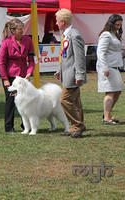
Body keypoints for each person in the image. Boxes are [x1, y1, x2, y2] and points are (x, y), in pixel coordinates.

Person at [0, 18, 35, 133]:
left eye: (22, 28)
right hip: (11, 78)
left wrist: (29, 72)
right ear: (13, 31)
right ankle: (9, 127)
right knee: (11, 100)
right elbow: (1, 62)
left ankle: (26, 126)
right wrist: (5, 79)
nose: (22, 31)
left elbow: (32, 60)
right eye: (19, 29)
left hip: (24, 77)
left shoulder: (28, 40)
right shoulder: (6, 42)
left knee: (26, 100)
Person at [54, 8, 87, 138]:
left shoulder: (74, 35)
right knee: (75, 102)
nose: (56, 23)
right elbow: (65, 55)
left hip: (73, 75)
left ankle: (77, 125)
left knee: (64, 100)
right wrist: (59, 69)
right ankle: (79, 125)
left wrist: (80, 74)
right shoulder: (67, 34)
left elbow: (79, 57)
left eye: (57, 21)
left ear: (62, 22)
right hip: (66, 73)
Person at [96, 14, 124, 125]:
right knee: (111, 92)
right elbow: (100, 52)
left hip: (115, 67)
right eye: (117, 24)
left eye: (120, 25)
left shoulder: (114, 35)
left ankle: (107, 113)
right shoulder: (106, 35)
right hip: (107, 67)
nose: (118, 27)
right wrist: (105, 67)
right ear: (111, 23)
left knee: (118, 91)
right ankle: (106, 118)